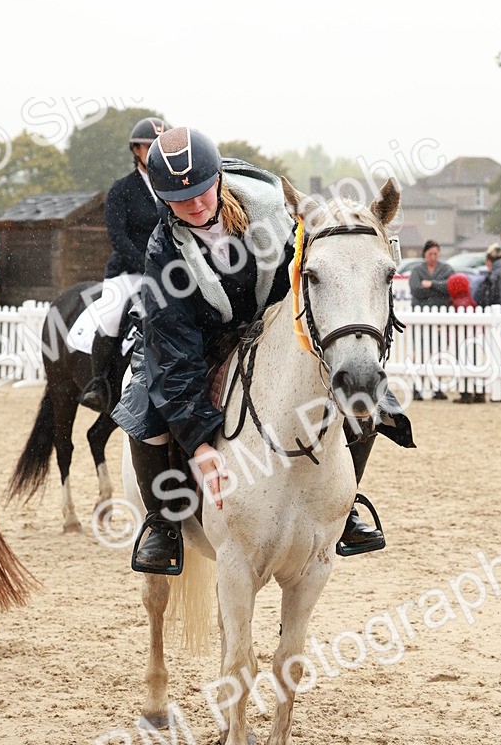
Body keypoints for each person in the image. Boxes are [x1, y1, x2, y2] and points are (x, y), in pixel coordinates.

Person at [111, 127, 414, 573]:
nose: (195, 206)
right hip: (196, 339)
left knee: (367, 397)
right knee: (145, 406)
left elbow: (315, 269)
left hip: (271, 325)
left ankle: (345, 507)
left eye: (200, 192)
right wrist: (199, 443)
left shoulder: (273, 212)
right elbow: (175, 347)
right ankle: (164, 523)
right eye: (179, 199)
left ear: (218, 178)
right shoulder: (164, 250)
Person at [78, 115, 170, 412]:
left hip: (168, 271)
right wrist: (146, 265)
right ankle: (99, 384)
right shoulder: (122, 189)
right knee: (111, 316)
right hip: (128, 272)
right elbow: (117, 236)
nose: (156, 152)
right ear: (136, 150)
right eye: (151, 146)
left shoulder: (172, 188)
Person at [408, 240, 454, 399]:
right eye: (430, 254)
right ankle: (417, 387)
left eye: (436, 253)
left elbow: (450, 287)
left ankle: (437, 387)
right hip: (420, 316)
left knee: (438, 353)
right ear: (425, 254)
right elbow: (416, 290)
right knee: (420, 353)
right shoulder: (417, 270)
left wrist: (431, 284)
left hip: (441, 316)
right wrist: (438, 291)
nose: (433, 257)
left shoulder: (446, 269)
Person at [446, 274, 480, 404]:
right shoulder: (470, 300)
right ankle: (479, 392)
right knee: (475, 365)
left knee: (463, 365)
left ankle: (466, 393)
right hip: (473, 339)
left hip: (462, 340)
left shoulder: (458, 303)